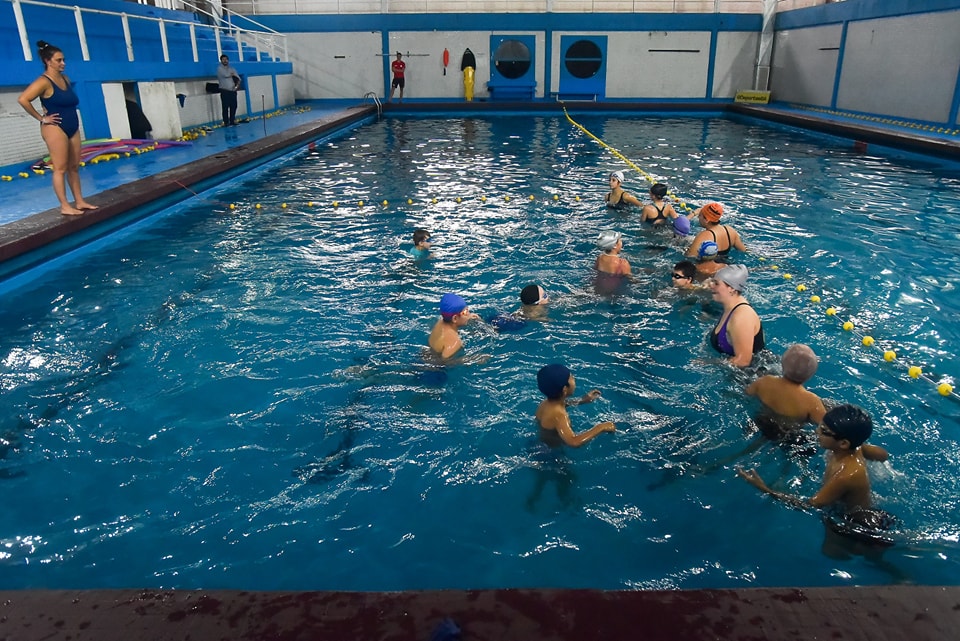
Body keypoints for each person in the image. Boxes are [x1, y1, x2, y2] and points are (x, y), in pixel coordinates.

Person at [746, 345, 889, 461]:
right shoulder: (810, 400)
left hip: (760, 422)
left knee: (749, 450)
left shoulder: (765, 381)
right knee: (799, 456)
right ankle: (782, 480)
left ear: (782, 365)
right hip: (788, 435)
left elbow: (747, 394)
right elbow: (830, 426)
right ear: (811, 375)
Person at [737, 404, 878, 512]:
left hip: (853, 520)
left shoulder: (845, 475)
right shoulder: (856, 447)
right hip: (849, 505)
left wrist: (764, 489)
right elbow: (881, 454)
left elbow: (810, 505)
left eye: (824, 431)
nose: (817, 431)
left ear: (844, 443)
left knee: (831, 550)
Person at [17, 40, 98, 216]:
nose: (63, 63)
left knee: (74, 166)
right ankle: (64, 205)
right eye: (59, 60)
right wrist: (42, 118)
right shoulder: (43, 82)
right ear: (48, 61)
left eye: (63, 60)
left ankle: (80, 201)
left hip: (72, 126)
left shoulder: (65, 79)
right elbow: (23, 99)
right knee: (60, 168)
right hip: (55, 127)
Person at [535, 364, 615, 448]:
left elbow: (564, 404)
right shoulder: (559, 415)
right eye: (572, 377)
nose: (574, 379)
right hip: (551, 453)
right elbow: (573, 441)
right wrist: (601, 427)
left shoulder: (546, 403)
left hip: (542, 445)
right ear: (565, 389)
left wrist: (583, 400)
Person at [708, 264, 764, 367]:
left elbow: (743, 361)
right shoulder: (729, 308)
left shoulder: (741, 317)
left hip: (754, 377)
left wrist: (709, 363)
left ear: (731, 289)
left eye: (716, 283)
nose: (711, 285)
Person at [428, 293, 479, 359]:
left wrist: (467, 316)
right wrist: (473, 358)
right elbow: (444, 361)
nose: (469, 314)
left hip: (425, 354)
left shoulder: (439, 322)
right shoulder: (455, 342)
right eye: (465, 312)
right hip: (432, 367)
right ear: (455, 318)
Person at [217, 54, 241, 126]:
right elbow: (226, 75)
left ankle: (232, 120)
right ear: (221, 61)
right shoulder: (219, 69)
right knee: (225, 107)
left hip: (232, 91)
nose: (225, 61)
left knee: (234, 106)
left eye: (226, 59)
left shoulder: (232, 69)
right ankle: (226, 122)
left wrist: (236, 87)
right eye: (223, 59)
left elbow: (238, 78)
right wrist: (232, 74)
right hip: (224, 91)